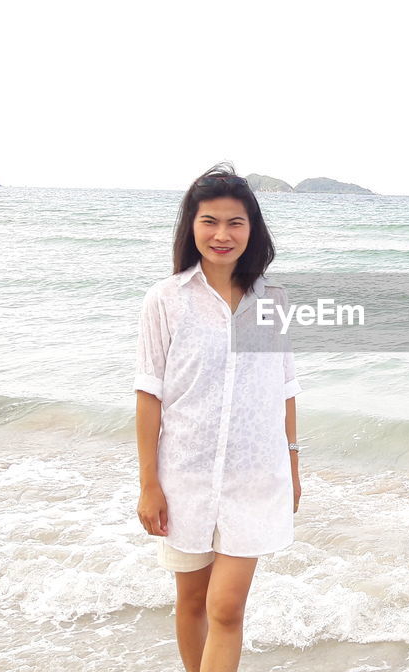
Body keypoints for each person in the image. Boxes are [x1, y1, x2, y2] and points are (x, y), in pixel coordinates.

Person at [133, 163, 302, 672]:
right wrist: (148, 484)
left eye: (235, 222)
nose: (222, 235)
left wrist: (293, 464)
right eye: (210, 221)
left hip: (255, 475)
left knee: (225, 607)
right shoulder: (167, 300)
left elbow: (285, 389)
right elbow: (149, 395)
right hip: (184, 475)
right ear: (192, 226)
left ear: (253, 230)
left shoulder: (271, 301)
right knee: (190, 602)